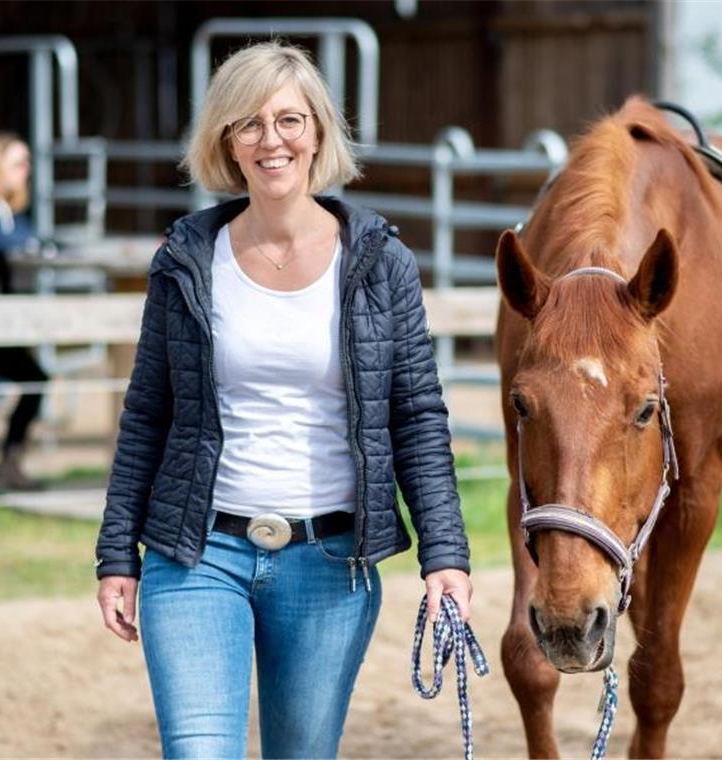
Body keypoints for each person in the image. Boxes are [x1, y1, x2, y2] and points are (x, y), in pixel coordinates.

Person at [94, 40, 473, 759]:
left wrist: (444, 555)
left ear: (320, 133)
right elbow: (147, 413)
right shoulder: (186, 259)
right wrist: (118, 555)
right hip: (197, 553)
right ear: (226, 141)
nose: (272, 140)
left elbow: (417, 415)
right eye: (250, 123)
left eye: (290, 120)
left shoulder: (381, 262)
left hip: (330, 562)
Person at [0, 132, 48, 491]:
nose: (26, 170)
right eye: (18, 162)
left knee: (35, 377)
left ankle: (9, 463)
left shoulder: (8, 209)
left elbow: (34, 241)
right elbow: (4, 244)